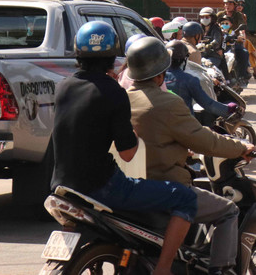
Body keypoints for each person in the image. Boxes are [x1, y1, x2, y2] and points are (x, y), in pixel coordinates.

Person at [51, 22, 197, 275]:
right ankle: (163, 269)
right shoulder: (114, 92)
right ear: (113, 57)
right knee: (186, 197)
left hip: (61, 185)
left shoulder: (64, 87)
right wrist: (133, 134)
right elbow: (128, 153)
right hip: (103, 187)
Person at [126, 36, 254, 275]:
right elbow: (206, 140)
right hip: (166, 187)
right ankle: (221, 270)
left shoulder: (123, 99)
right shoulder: (167, 102)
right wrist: (241, 147)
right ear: (160, 73)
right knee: (228, 211)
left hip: (130, 187)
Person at [164, 39, 234, 120]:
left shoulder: (158, 78)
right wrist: (229, 109)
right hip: (185, 126)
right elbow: (209, 105)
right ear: (185, 59)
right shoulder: (189, 80)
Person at [217, 0, 252, 81]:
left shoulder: (238, 15)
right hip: (220, 40)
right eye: (226, 4)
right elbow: (213, 25)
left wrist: (241, 36)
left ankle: (242, 75)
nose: (227, 6)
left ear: (234, 5)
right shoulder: (219, 14)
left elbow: (241, 28)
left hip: (233, 40)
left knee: (244, 53)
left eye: (230, 4)